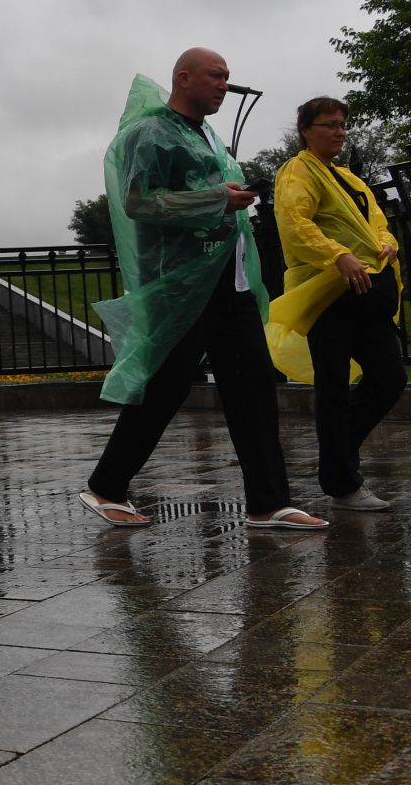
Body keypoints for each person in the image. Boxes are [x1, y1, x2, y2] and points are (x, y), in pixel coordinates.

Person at [79, 51, 326, 530]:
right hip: (181, 283)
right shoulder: (150, 133)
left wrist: (228, 197)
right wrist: (218, 198)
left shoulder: (206, 135)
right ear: (183, 78)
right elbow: (136, 201)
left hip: (227, 282)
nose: (224, 85)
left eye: (228, 77)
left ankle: (268, 502)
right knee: (166, 387)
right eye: (217, 76)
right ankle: (106, 487)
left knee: (253, 386)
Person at [267, 97, 407, 511]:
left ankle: (336, 458)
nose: (339, 131)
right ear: (306, 130)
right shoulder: (297, 172)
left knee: (390, 378)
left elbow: (376, 222)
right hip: (328, 296)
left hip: (366, 293)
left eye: (342, 125)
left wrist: (387, 243)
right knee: (334, 390)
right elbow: (294, 223)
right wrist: (337, 255)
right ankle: (343, 483)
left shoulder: (347, 177)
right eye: (329, 124)